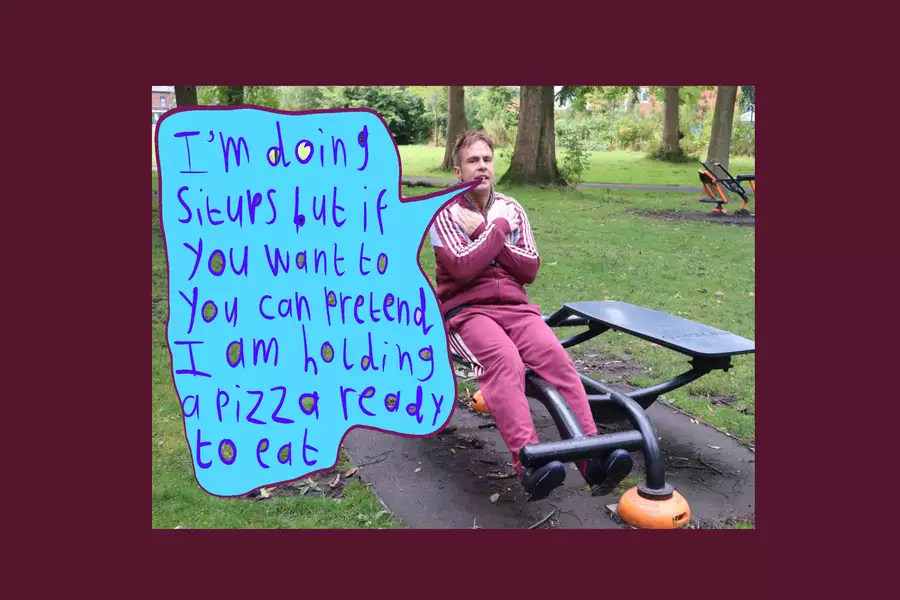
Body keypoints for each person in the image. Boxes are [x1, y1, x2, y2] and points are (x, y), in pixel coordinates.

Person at [428, 131, 633, 501]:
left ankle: (591, 460)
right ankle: (531, 465)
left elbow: (529, 269)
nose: (482, 167)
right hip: (466, 313)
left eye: (487, 160)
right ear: (458, 171)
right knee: (505, 362)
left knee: (558, 362)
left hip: (517, 310)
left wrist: (488, 236)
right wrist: (500, 231)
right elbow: (462, 268)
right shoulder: (445, 212)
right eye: (473, 161)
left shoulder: (513, 207)